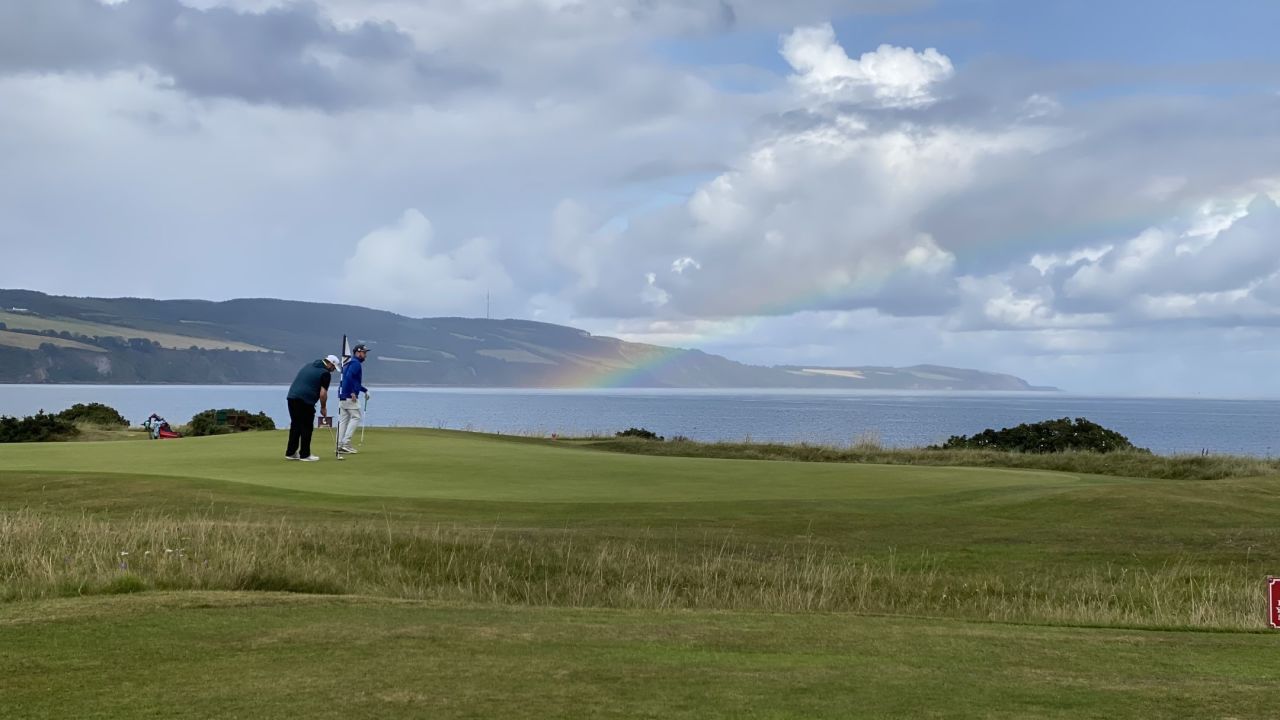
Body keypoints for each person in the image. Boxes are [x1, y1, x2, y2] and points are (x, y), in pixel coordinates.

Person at [285, 354, 338, 461]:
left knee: (295, 425)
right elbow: (323, 394)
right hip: (304, 401)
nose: (333, 370)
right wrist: (323, 408)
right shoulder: (325, 373)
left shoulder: (308, 365)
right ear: (329, 364)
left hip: (291, 397)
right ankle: (305, 455)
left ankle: (290, 453)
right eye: (333, 367)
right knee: (306, 427)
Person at [338, 343, 370, 454]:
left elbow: (353, 381)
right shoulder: (356, 363)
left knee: (344, 420)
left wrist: (364, 390)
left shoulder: (350, 363)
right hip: (349, 396)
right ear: (357, 352)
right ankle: (346, 443)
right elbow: (348, 378)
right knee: (356, 417)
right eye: (364, 353)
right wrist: (352, 392)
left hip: (342, 396)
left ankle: (339, 445)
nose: (365, 355)